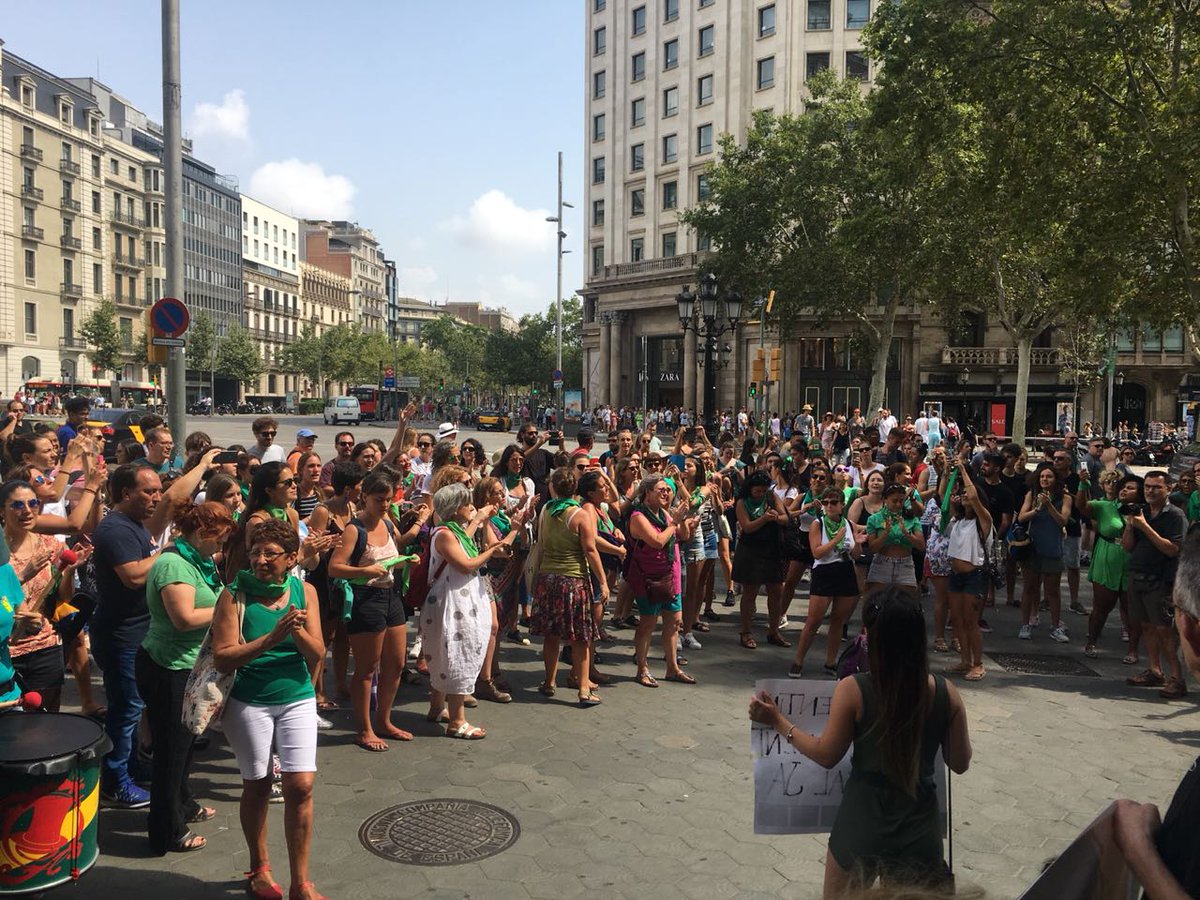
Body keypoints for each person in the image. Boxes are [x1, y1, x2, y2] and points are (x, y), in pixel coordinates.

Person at [751, 589, 971, 898]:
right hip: (920, 827)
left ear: (872, 636)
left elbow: (826, 754)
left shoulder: (854, 690)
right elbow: (960, 763)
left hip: (862, 821)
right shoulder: (947, 695)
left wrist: (778, 722)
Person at [211, 519, 325, 900]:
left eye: (270, 554)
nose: (260, 560)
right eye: (255, 553)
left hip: (297, 695)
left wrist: (296, 632)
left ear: (291, 558)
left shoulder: (305, 592)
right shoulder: (233, 594)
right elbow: (223, 657)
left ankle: (301, 883)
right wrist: (271, 638)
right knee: (258, 784)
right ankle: (259, 867)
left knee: (301, 786)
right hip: (249, 701)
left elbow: (318, 653)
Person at [136, 501, 235, 855]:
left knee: (187, 744)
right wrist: (229, 606)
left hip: (191, 668)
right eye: (219, 539)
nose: (221, 546)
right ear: (201, 533)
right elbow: (184, 618)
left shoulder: (200, 560)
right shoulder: (173, 565)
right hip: (170, 669)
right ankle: (167, 831)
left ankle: (184, 803)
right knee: (171, 754)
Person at [328, 468, 414, 751]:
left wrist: (405, 561)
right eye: (379, 499)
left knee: (396, 664)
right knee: (367, 668)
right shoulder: (355, 529)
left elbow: (393, 554)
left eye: (388, 499)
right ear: (364, 497)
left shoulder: (388, 524)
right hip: (365, 598)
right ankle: (364, 729)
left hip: (391, 596)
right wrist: (364, 570)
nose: (385, 504)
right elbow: (335, 568)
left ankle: (384, 721)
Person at [423, 483, 519, 737]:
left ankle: (436, 707)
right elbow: (466, 564)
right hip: (452, 603)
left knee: (445, 653)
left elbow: (466, 539)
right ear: (455, 509)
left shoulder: (454, 531)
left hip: (457, 601)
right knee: (457, 654)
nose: (471, 507)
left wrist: (479, 521)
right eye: (466, 503)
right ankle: (457, 721)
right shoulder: (445, 534)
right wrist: (491, 550)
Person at [2, 479, 90, 713]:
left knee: (47, 720)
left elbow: (65, 598)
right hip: (6, 652)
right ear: (2, 511)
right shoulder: (1, 554)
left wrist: (69, 572)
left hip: (45, 646)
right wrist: (24, 574)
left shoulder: (51, 546)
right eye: (17, 505)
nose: (27, 511)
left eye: (33, 503)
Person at [531, 467, 608, 704]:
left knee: (551, 635)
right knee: (581, 638)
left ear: (552, 487)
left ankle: (549, 681)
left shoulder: (546, 510)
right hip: (574, 581)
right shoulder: (580, 515)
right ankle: (584, 689)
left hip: (547, 579)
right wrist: (603, 581)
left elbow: (541, 543)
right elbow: (590, 550)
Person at [626, 474, 695, 687]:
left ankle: (672, 668)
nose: (666, 493)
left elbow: (684, 536)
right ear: (647, 493)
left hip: (670, 575)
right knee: (648, 623)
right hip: (649, 577)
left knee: (674, 622)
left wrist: (682, 519)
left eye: (668, 490)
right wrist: (674, 522)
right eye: (661, 490)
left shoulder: (664, 513)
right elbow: (657, 541)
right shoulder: (638, 517)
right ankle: (642, 669)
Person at [1124, 471, 1188, 699]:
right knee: (1146, 626)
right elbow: (1127, 546)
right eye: (1147, 487)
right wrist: (1130, 525)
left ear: (1168, 489)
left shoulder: (1175, 516)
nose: (1150, 491)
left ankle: (1177, 679)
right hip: (1138, 575)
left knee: (1164, 630)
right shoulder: (1142, 512)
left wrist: (1144, 527)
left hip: (1160, 580)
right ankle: (1155, 670)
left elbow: (1172, 549)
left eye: (1156, 487)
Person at [792, 488, 863, 677]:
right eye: (825, 502)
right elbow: (817, 552)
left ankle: (831, 661)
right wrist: (836, 540)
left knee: (838, 621)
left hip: (845, 571)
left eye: (833, 502)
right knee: (814, 620)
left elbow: (856, 555)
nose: (829, 506)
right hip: (824, 571)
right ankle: (798, 660)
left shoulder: (848, 524)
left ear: (842, 505)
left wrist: (858, 542)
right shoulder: (818, 524)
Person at [944, 462, 994, 682]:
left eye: (967, 493)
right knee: (957, 620)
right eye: (962, 493)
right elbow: (944, 499)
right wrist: (947, 475)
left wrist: (963, 470)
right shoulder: (958, 520)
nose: (964, 495)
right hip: (956, 576)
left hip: (975, 576)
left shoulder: (984, 520)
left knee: (971, 622)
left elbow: (973, 496)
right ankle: (965, 660)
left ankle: (978, 663)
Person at [1017, 465, 1072, 643]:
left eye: (1049, 476)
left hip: (1053, 548)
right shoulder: (1032, 495)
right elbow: (1021, 517)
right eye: (1042, 476)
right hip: (1033, 548)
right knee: (1029, 588)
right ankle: (1025, 624)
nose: (1045, 480)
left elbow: (1063, 521)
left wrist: (1049, 506)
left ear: (1056, 479)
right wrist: (1037, 509)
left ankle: (1055, 626)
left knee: (1052, 591)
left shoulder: (1065, 498)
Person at [732, 471, 786, 650]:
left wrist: (776, 517)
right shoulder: (742, 502)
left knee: (776, 590)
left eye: (763, 490)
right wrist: (764, 518)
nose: (761, 494)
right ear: (750, 489)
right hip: (750, 550)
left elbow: (786, 518)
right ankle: (746, 632)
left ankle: (774, 631)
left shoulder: (771, 497)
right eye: (757, 491)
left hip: (771, 549)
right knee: (750, 591)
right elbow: (747, 526)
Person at [865, 484, 925, 597]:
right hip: (881, 564)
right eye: (894, 501)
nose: (898, 504)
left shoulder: (911, 518)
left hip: (905, 564)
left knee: (907, 602)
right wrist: (885, 533)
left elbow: (921, 546)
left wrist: (907, 534)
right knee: (876, 601)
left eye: (901, 501)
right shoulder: (874, 519)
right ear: (885, 499)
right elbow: (872, 548)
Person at [319, 432, 355, 498]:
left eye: (350, 444)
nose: (347, 446)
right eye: (343, 444)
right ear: (336, 446)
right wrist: (346, 491)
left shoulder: (357, 465)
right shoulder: (329, 467)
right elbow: (324, 488)